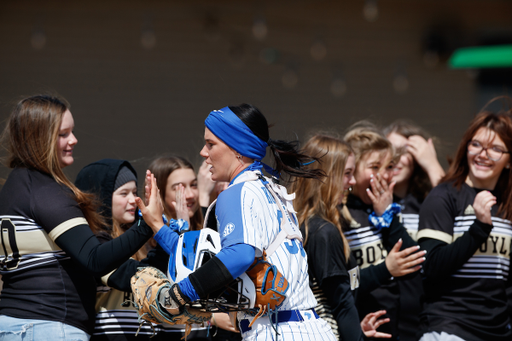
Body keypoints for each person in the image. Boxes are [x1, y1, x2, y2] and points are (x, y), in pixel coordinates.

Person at [137, 104, 337, 340]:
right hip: (305, 327)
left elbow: (239, 255)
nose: (203, 152)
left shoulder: (238, 192)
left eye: (211, 144)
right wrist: (158, 227)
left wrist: (179, 294)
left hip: (276, 330)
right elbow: (208, 258)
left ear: (238, 148)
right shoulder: (270, 187)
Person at [0, 95, 164, 341]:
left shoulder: (15, 185)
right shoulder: (46, 190)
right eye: (63, 134)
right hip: (48, 327)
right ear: (38, 138)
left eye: (72, 132)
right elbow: (95, 259)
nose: (74, 140)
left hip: (15, 324)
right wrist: (147, 224)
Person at [417, 108, 512, 341]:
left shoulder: (508, 204)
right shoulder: (444, 196)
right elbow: (431, 267)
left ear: (509, 161)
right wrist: (478, 228)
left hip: (499, 332)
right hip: (450, 328)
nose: (483, 154)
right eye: (476, 145)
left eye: (496, 149)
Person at [292, 133, 392, 340]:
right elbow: (341, 304)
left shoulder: (300, 225)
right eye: (347, 173)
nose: (352, 182)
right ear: (325, 176)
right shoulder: (322, 232)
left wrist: (357, 329)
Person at [342, 123, 426, 340]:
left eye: (388, 167)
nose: (384, 175)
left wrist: (387, 215)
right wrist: (386, 269)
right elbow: (340, 284)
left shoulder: (386, 207)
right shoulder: (340, 215)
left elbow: (414, 261)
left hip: (403, 327)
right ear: (351, 168)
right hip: (362, 326)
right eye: (374, 167)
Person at [75, 159, 170, 340]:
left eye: (135, 192)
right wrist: (152, 225)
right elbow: (134, 278)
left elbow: (158, 273)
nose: (133, 200)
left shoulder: (141, 242)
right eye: (124, 193)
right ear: (100, 197)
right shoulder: (92, 244)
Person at [147, 156, 237, 340]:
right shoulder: (149, 239)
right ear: (161, 194)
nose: (189, 195)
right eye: (178, 188)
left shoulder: (208, 229)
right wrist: (181, 235)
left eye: (194, 185)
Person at [383, 120, 445, 341]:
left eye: (404, 151)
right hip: (379, 315)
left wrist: (431, 164)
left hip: (422, 317)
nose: (396, 159)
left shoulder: (429, 201)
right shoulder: (364, 202)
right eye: (390, 151)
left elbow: (458, 210)